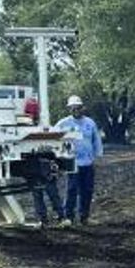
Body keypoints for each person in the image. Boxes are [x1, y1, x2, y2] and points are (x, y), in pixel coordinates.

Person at [56, 95, 103, 224]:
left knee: (87, 190)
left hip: (88, 162)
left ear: (83, 108)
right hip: (72, 162)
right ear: (69, 109)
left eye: (78, 107)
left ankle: (84, 216)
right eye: (73, 108)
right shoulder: (63, 123)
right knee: (72, 189)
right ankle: (69, 217)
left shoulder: (90, 123)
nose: (76, 110)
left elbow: (96, 141)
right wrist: (59, 159)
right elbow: (54, 139)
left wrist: (97, 156)